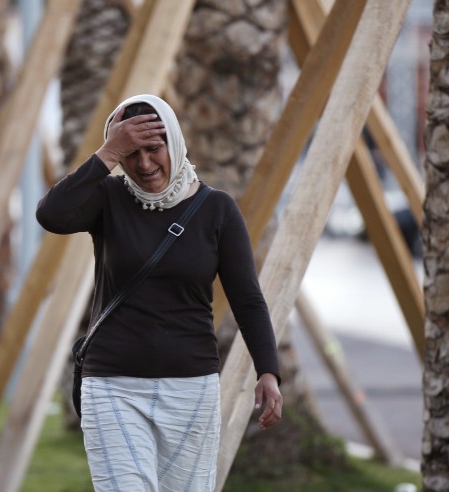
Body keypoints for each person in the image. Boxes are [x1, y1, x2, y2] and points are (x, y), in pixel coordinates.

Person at [36, 94, 283, 491]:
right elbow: (51, 215)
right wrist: (107, 153)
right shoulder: (108, 198)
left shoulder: (216, 209)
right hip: (112, 386)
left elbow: (248, 299)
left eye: (154, 148)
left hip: (190, 389)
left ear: (174, 142)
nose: (145, 164)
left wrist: (268, 370)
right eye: (131, 153)